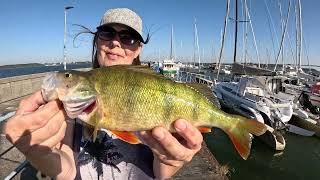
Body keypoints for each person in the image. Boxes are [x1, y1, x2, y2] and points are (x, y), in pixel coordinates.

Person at [4, 8, 203, 179]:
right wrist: (38, 153)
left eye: (128, 37)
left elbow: (161, 174)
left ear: (138, 50)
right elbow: (67, 170)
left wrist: (170, 160)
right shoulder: (74, 101)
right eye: (107, 33)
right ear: (97, 40)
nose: (116, 42)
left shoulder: (154, 89)